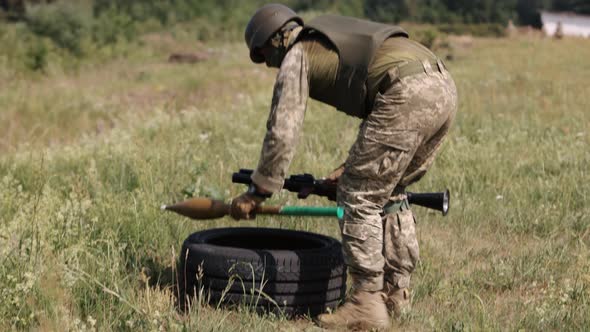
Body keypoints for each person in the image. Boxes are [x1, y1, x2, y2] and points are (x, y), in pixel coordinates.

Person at [230, 3, 458, 330]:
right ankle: (395, 295)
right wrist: (346, 168)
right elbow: (378, 95)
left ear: (276, 39)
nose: (268, 65)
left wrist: (259, 190)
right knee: (389, 191)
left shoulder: (297, 55)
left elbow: (282, 130)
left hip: (406, 91)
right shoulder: (328, 35)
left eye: (264, 55)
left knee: (358, 196)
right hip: (441, 84)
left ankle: (366, 302)